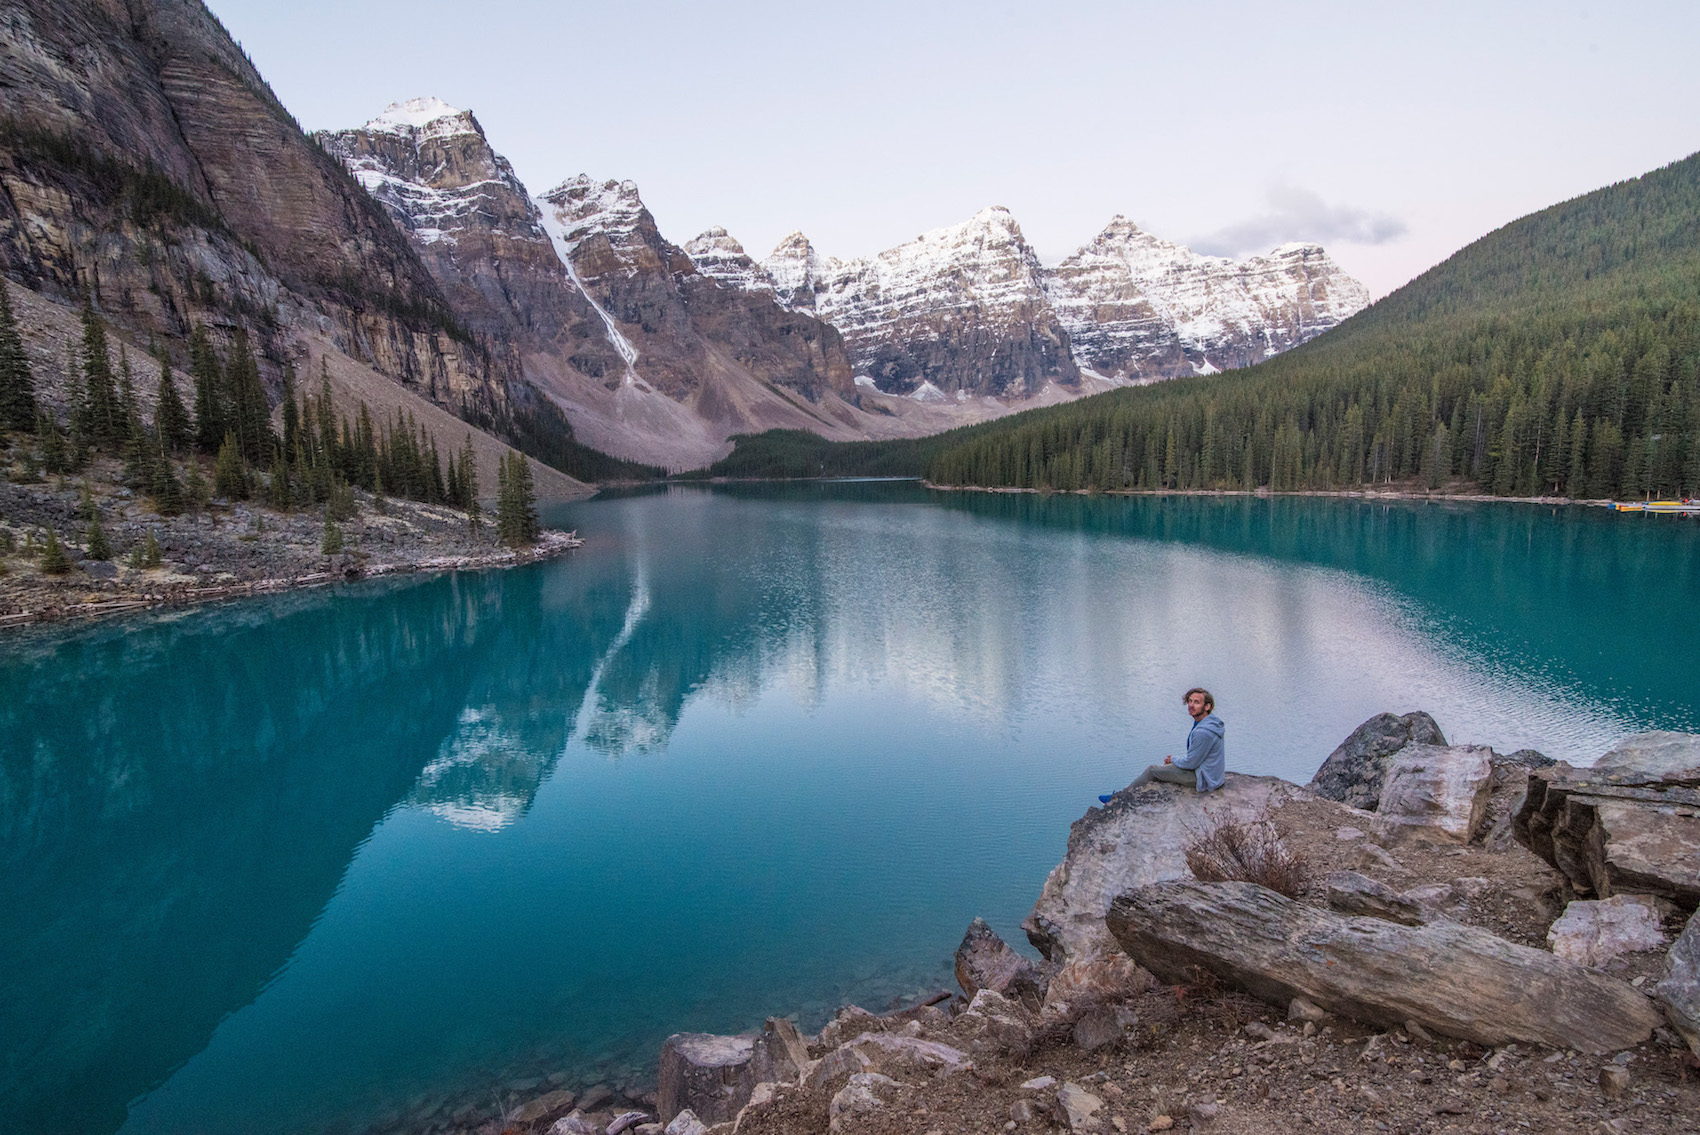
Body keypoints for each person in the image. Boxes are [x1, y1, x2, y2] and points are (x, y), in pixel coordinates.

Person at [1100, 687, 1225, 800]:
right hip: (1211, 774)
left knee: (1152, 771)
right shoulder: (1211, 723)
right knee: (1164, 769)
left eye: (1196, 702)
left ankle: (1119, 798)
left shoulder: (1203, 732)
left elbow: (1191, 763)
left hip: (1203, 778)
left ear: (1207, 707)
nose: (1191, 705)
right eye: (1190, 701)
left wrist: (1173, 759)